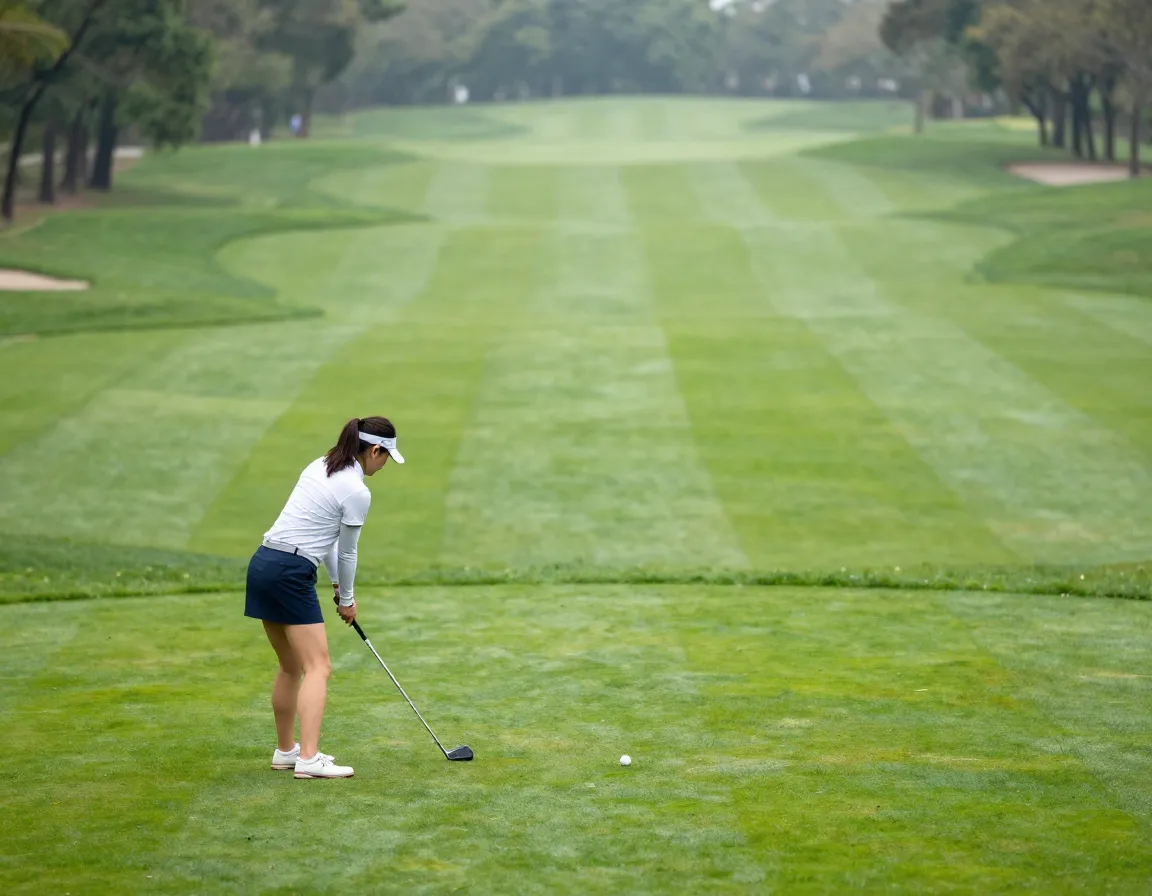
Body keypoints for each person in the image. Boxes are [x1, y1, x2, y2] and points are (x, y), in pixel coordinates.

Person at [244, 417, 404, 779]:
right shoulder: (357, 491)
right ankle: (309, 759)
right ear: (374, 450)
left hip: (264, 563)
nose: (385, 465)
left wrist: (336, 587)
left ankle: (286, 751)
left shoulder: (321, 464)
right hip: (290, 572)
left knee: (291, 666)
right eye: (385, 457)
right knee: (319, 667)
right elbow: (347, 552)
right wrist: (347, 599)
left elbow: (327, 538)